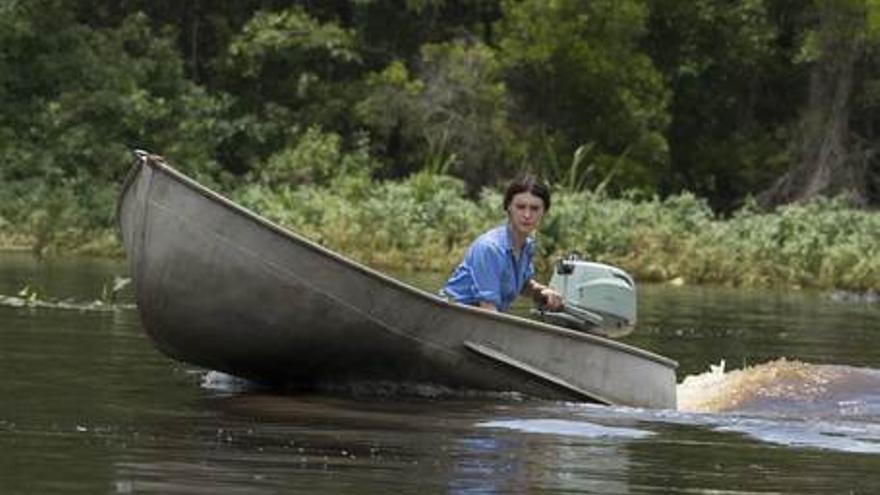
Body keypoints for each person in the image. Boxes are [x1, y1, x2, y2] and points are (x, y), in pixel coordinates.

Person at [442, 175, 563, 312]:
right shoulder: (489, 248)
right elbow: (488, 309)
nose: (527, 215)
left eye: (534, 208)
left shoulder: (527, 246)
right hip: (451, 314)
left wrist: (543, 291)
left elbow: (521, 284)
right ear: (509, 207)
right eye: (521, 207)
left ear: (544, 212)